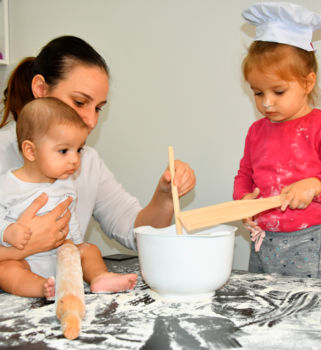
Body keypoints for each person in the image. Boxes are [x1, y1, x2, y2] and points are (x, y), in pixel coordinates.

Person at [0, 36, 195, 280]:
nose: (91, 121)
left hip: (62, 297)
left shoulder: (86, 161)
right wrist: (25, 247)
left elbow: (135, 232)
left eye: (98, 108)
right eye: (80, 102)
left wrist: (165, 196)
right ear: (40, 89)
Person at [233, 2, 321, 279]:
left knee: (304, 308)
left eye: (278, 91)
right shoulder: (256, 131)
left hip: (309, 241)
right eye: (258, 93)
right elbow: (245, 175)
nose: (267, 102)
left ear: (308, 83)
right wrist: (242, 200)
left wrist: (316, 184)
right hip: (264, 238)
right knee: (266, 302)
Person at [0, 97, 138, 298]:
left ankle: (99, 278)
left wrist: (74, 245)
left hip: (60, 256)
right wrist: (7, 231)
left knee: (89, 250)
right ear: (30, 151)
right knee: (6, 270)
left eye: (79, 150)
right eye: (64, 151)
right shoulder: (8, 185)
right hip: (25, 261)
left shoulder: (66, 184)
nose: (74, 159)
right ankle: (42, 288)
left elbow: (70, 219)